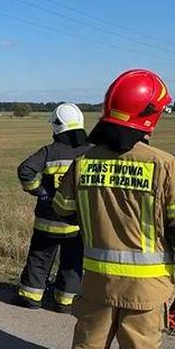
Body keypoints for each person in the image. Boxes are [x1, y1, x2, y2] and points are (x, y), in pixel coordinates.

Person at [53, 69, 175, 348]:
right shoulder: (165, 165)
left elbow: (62, 208)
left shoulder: (83, 161)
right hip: (147, 290)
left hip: (97, 284)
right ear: (150, 117)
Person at [13, 103, 92, 313]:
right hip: (77, 225)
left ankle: (31, 297)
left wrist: (40, 192)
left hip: (47, 222)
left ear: (57, 127)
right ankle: (65, 302)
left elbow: (25, 170)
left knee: (39, 259)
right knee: (72, 264)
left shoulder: (49, 152)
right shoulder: (91, 153)